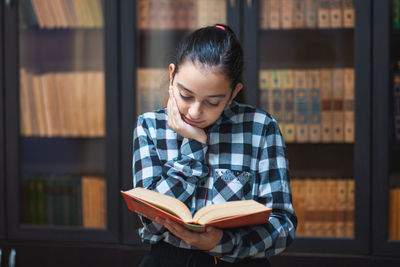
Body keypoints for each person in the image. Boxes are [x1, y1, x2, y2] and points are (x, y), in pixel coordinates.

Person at [133, 24, 297, 267]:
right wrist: (194, 146)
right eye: (186, 95)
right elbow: (151, 220)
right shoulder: (150, 126)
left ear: (232, 94)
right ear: (172, 75)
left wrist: (220, 242)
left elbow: (283, 227)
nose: (195, 112)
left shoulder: (260, 127)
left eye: (212, 102)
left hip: (239, 260)